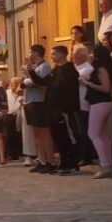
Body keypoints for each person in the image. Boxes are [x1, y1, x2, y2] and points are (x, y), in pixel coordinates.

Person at [81, 44, 112, 179]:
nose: (89, 55)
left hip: (100, 102)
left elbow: (106, 88)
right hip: (103, 103)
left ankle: (105, 165)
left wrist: (88, 83)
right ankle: (109, 164)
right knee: (102, 135)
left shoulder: (101, 68)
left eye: (91, 53)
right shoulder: (102, 67)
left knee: (93, 133)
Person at [47, 45, 81, 176]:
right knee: (59, 137)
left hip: (65, 109)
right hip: (55, 109)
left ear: (62, 54)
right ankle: (64, 162)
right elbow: (49, 84)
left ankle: (73, 164)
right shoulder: (56, 69)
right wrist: (31, 73)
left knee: (68, 136)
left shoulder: (69, 69)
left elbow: (70, 91)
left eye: (54, 53)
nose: (52, 56)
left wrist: (65, 108)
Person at [24, 45, 56, 174]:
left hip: (40, 102)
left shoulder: (44, 67)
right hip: (30, 101)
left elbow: (44, 85)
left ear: (36, 53)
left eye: (30, 52)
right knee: (36, 133)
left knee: (44, 133)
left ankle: (50, 161)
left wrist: (30, 79)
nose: (29, 54)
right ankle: (41, 160)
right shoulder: (34, 67)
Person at [73, 45, 96, 166]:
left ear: (83, 56)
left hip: (84, 104)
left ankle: (87, 155)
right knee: (77, 130)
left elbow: (74, 78)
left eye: (75, 54)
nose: (73, 57)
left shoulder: (87, 68)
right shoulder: (75, 67)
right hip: (75, 103)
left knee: (84, 130)